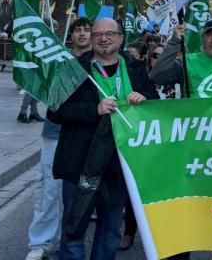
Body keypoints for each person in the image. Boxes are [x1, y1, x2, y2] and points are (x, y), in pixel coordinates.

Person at [49, 18, 157, 260]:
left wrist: (144, 99)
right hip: (80, 163)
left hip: (118, 165)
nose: (104, 38)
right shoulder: (73, 69)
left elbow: (154, 103)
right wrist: (94, 109)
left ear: (120, 38)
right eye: (98, 34)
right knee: (73, 231)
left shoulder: (136, 68)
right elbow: (55, 112)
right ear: (92, 38)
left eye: (110, 34)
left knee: (110, 231)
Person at [25, 17, 93, 260]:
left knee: (79, 193)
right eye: (78, 30)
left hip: (85, 135)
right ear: (71, 35)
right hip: (55, 132)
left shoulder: (98, 62)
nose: (82, 34)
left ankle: (70, 241)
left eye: (87, 30)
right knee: (48, 188)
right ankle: (40, 242)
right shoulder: (57, 61)